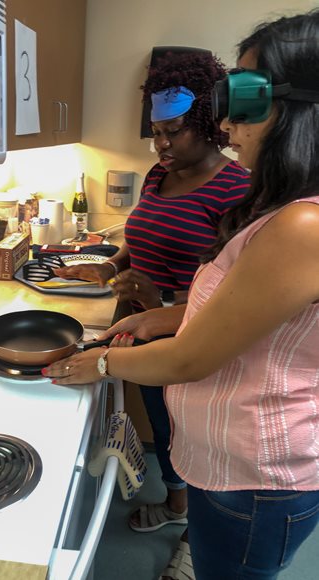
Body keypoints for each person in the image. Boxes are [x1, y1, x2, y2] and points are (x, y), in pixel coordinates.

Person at [44, 8, 319, 580]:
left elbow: (194, 358)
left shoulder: (302, 226)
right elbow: (237, 308)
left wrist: (99, 362)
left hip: (257, 473)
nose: (230, 124)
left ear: (301, 108)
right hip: (227, 457)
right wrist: (164, 316)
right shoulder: (282, 208)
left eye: (244, 99)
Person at [55, 50, 250, 538]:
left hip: (186, 335)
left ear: (209, 125)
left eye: (172, 131)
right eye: (155, 132)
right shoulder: (160, 176)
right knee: (165, 428)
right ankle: (178, 504)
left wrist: (158, 297)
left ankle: (196, 530)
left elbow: (231, 292)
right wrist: (111, 264)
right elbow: (142, 239)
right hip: (137, 325)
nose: (159, 144)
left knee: (192, 434)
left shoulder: (238, 189)